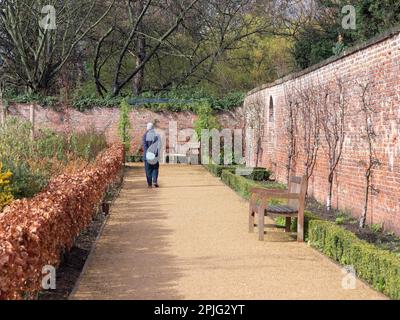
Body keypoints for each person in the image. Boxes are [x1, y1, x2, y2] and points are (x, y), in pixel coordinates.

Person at [143, 122, 161, 188]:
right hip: (155, 155)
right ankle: (155, 181)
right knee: (155, 168)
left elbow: (145, 146)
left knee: (148, 170)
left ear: (147, 128)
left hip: (147, 155)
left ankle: (149, 184)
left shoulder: (145, 135)